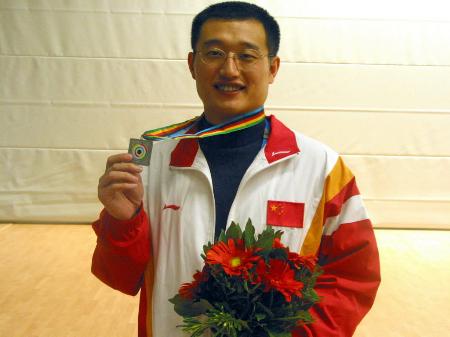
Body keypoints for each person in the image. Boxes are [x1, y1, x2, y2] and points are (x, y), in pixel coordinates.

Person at [92, 2, 380, 337]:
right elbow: (118, 277)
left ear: (273, 68)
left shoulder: (322, 168)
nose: (229, 69)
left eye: (246, 55)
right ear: (192, 64)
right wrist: (123, 222)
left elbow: (353, 278)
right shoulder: (150, 161)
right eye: (214, 53)